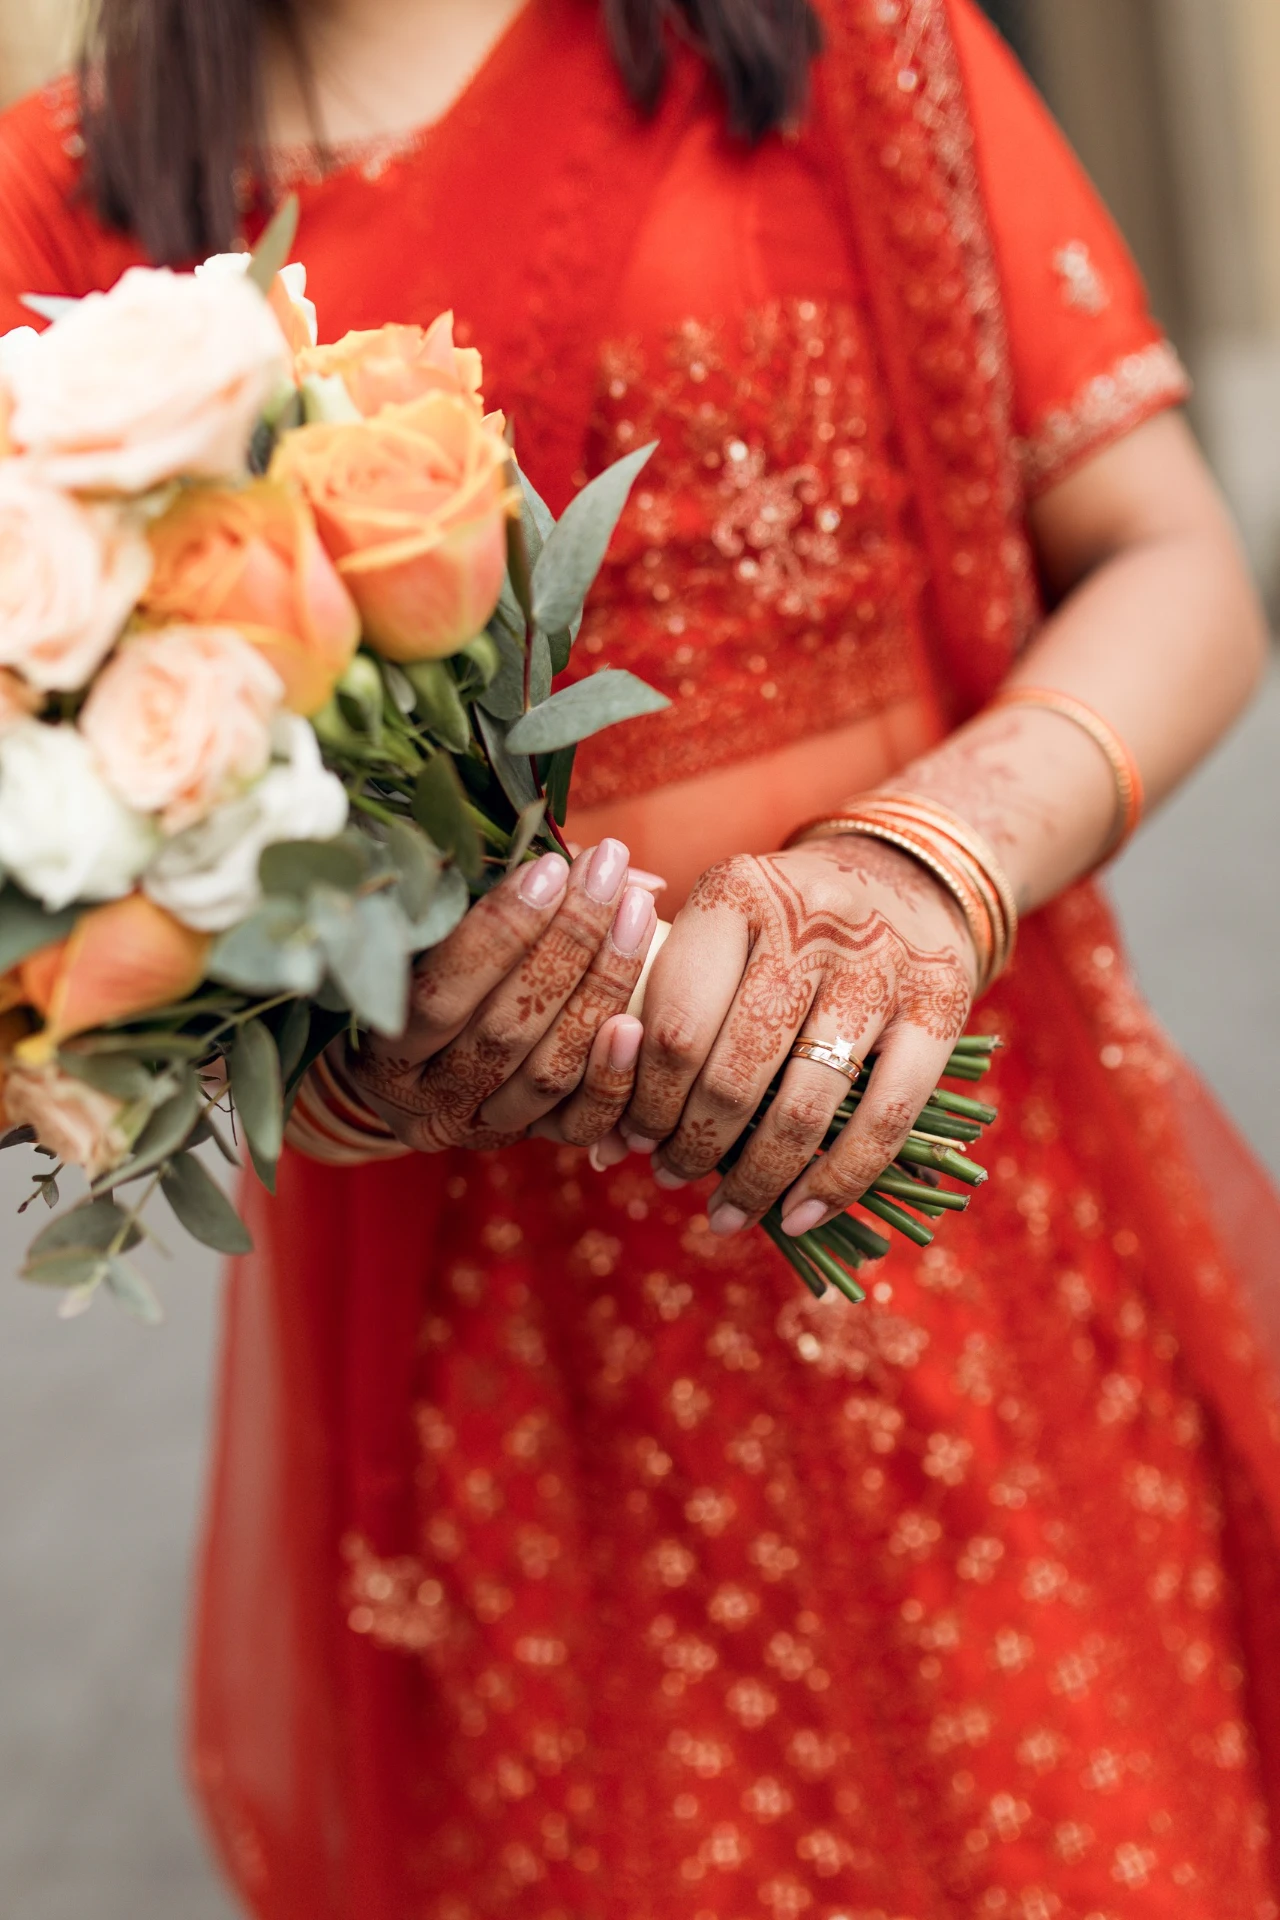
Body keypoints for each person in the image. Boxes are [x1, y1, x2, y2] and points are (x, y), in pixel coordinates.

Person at [3, 0, 1280, 1913]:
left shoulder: (835, 38)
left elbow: (1171, 555)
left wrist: (928, 873)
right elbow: (76, 896)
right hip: (515, 1382)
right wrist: (352, 1065)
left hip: (957, 1248)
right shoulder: (70, 201)